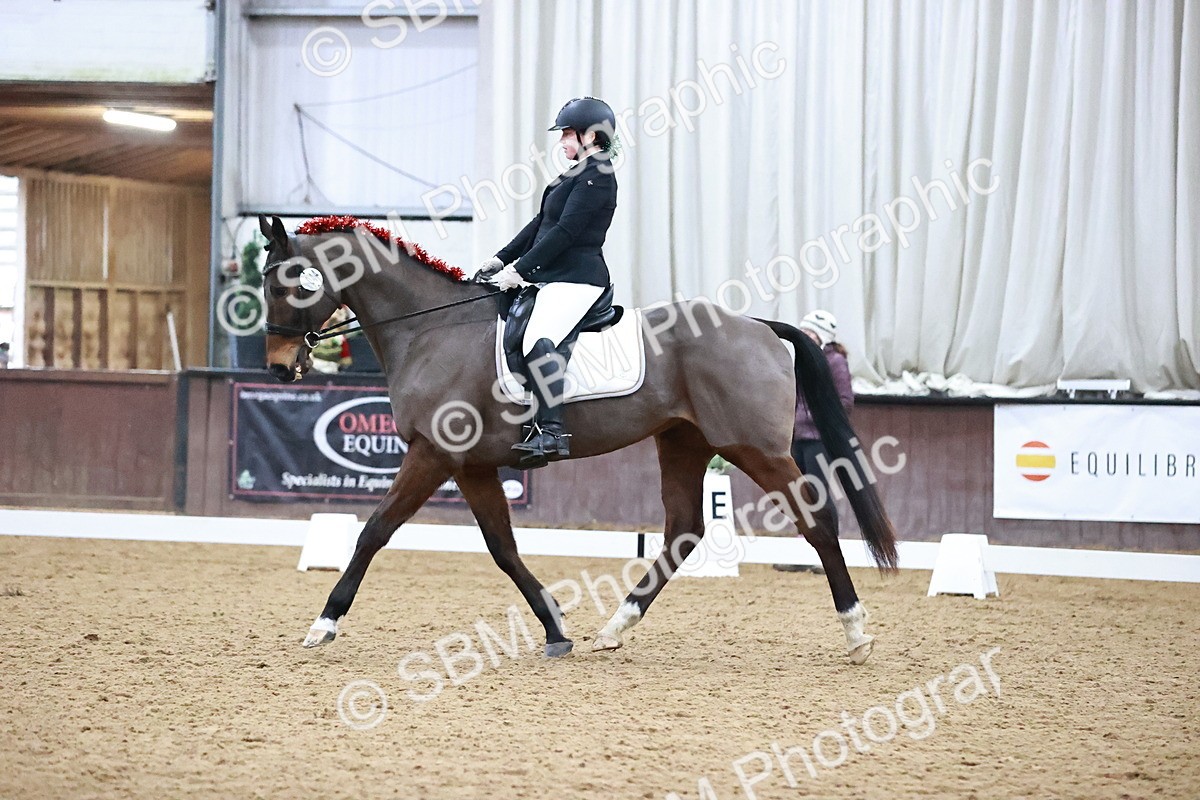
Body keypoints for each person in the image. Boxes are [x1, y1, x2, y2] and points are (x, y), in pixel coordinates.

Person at [473, 96, 619, 468]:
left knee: (539, 339)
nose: (562, 141)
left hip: (578, 279)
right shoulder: (573, 175)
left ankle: (551, 432)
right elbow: (541, 224)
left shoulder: (599, 175)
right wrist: (501, 259)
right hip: (554, 277)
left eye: (567, 133)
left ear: (591, 135)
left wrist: (520, 271)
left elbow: (566, 232)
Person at [774, 310, 854, 575]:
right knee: (800, 494)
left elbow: (845, 400)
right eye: (804, 330)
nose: (804, 335)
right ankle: (802, 551)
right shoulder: (801, 360)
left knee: (819, 494)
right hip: (797, 436)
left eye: (810, 331)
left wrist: (817, 419)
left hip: (820, 438)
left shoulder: (836, 361)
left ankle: (830, 554)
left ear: (823, 336)